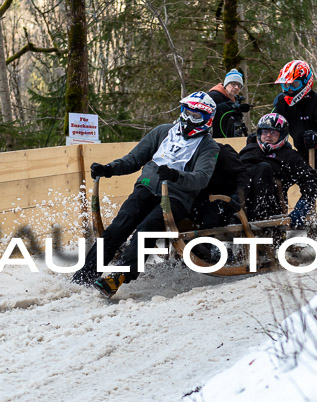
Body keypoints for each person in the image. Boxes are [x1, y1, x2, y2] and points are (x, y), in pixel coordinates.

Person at [71, 91, 219, 298]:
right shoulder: (163, 132)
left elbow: (202, 177)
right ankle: (86, 274)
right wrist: (109, 169)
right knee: (119, 225)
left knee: (147, 228)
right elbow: (134, 158)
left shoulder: (208, 146)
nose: (188, 119)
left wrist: (176, 176)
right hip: (147, 186)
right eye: (186, 112)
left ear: (206, 120)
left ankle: (120, 275)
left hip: (176, 197)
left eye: (196, 116)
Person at [273, 60, 317, 215]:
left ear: (306, 83)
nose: (290, 90)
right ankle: (284, 216)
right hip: (304, 151)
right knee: (281, 174)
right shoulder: (282, 103)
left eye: (294, 85)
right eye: (286, 85)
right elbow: (275, 126)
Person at [239, 113, 317, 227]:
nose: (268, 136)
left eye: (273, 133)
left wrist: (302, 207)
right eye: (265, 132)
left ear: (282, 135)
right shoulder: (250, 149)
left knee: (263, 168)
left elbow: (311, 182)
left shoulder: (289, 156)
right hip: (241, 201)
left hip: (270, 208)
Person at [207, 68, 250, 138]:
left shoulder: (235, 100)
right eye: (233, 84)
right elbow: (201, 114)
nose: (236, 87)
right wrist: (219, 108)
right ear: (226, 84)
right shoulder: (212, 96)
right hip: (212, 137)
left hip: (229, 136)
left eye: (239, 86)